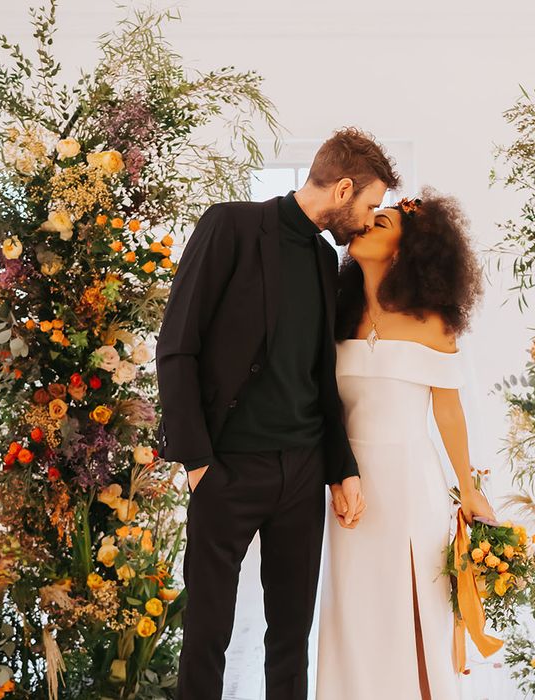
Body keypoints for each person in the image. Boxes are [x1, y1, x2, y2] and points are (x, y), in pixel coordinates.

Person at [154, 127, 400, 700]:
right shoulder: (230, 226)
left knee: (290, 639)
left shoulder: (320, 255)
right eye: (369, 206)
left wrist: (340, 469)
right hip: (228, 470)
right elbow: (176, 345)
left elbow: (319, 376)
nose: (368, 220)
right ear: (343, 189)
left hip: (302, 473)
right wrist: (197, 463)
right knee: (207, 634)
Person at [317, 188, 497, 700]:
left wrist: (468, 487)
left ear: (405, 250)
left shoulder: (432, 322)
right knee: (355, 618)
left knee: (419, 616)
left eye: (383, 221)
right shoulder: (336, 314)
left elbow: (448, 409)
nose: (367, 223)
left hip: (413, 487)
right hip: (348, 490)